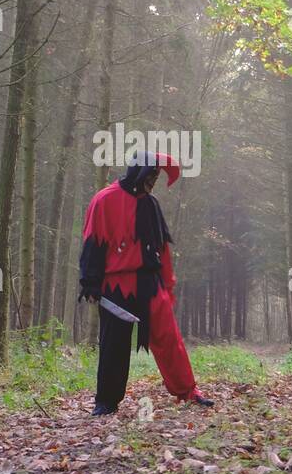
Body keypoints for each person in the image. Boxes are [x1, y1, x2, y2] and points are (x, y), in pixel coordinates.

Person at [78, 151, 214, 415]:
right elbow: (92, 243)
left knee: (169, 337)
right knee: (113, 345)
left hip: (150, 283)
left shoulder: (150, 205)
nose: (154, 182)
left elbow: (162, 249)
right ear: (139, 172)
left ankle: (187, 391)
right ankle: (106, 402)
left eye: (157, 177)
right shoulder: (104, 200)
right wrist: (90, 282)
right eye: (151, 175)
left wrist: (168, 284)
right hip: (116, 285)